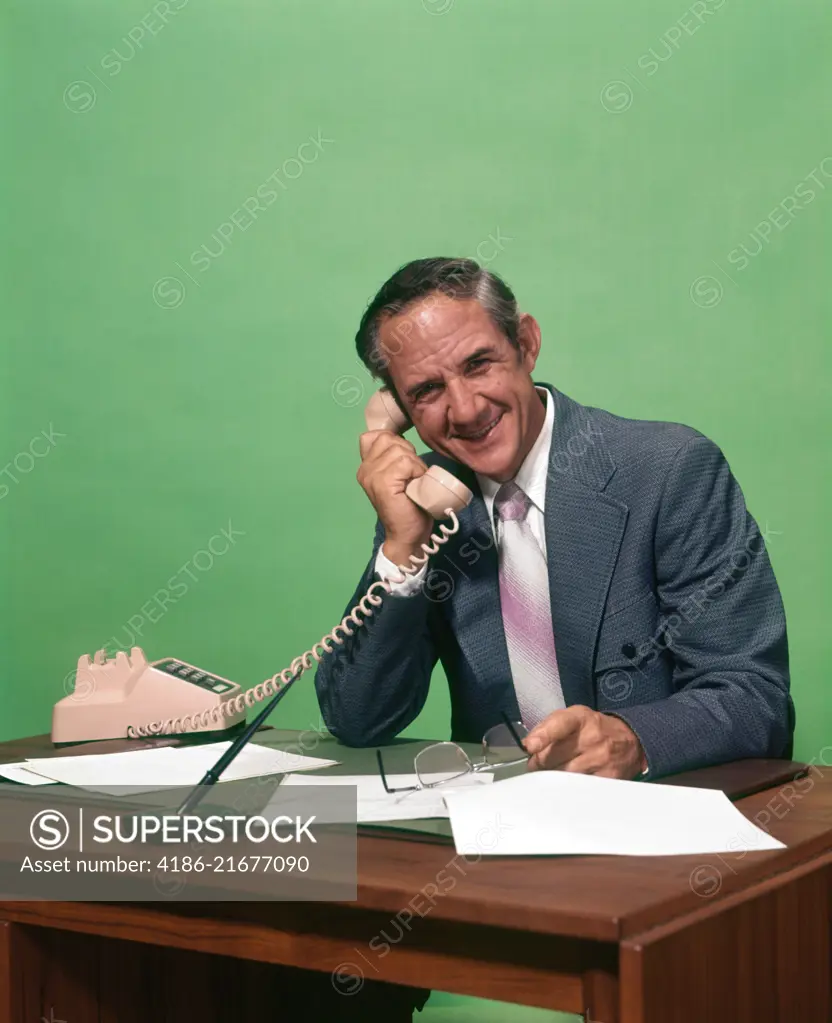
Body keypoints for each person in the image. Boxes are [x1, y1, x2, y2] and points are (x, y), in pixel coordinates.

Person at [312, 256, 793, 1019]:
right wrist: (401, 550)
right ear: (394, 411)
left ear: (527, 343)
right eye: (427, 392)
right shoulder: (429, 503)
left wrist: (633, 738)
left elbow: (756, 696)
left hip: (656, 854)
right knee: (308, 945)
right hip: (490, 854)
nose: (464, 409)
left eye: (480, 364)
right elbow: (357, 715)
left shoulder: (667, 469)